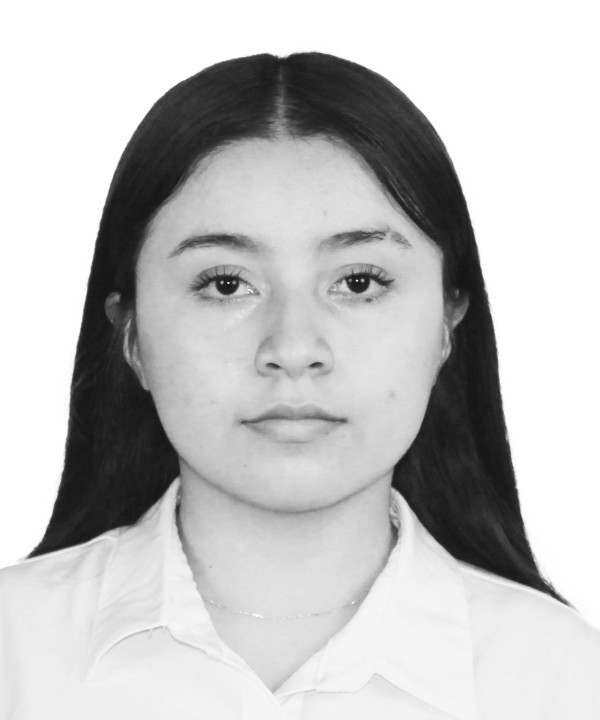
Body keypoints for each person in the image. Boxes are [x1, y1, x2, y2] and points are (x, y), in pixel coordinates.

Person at [1, 52, 598, 720]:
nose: (292, 349)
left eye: (359, 282)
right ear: (131, 333)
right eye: (225, 284)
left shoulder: (564, 680)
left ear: (447, 322)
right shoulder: (13, 653)